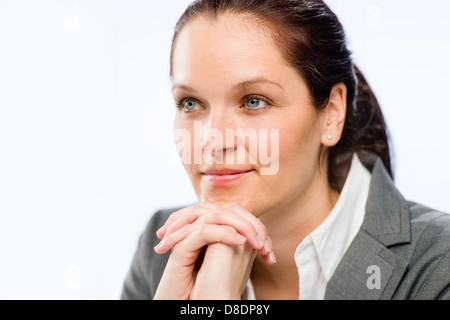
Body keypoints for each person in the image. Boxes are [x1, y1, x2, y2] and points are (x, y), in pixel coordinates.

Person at [121, 0, 450, 300]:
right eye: (190, 103)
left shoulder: (438, 262)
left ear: (332, 112)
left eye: (254, 101)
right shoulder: (164, 246)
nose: (212, 141)